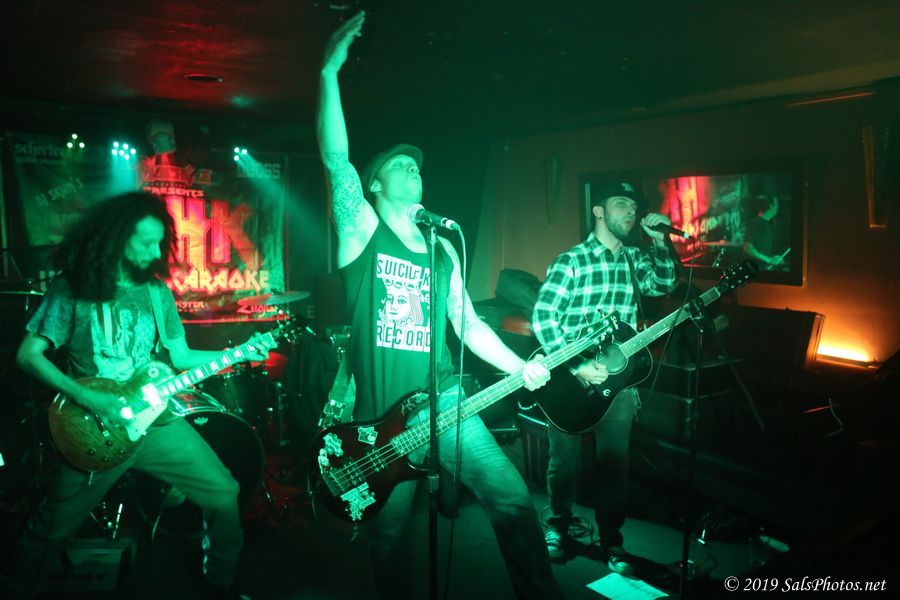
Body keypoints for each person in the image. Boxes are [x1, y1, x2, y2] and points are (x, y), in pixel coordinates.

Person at [317, 11, 563, 600]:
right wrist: (328, 72)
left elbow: (469, 324)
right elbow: (335, 159)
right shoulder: (362, 232)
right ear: (376, 185)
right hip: (381, 418)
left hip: (445, 400)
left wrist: (519, 368)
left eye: (418, 167)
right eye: (401, 165)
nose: (414, 170)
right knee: (389, 537)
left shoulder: (444, 248)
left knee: (511, 498)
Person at [2, 191, 275, 600]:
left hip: (154, 423)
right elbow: (28, 356)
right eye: (145, 242)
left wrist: (239, 353)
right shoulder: (72, 288)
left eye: (158, 243)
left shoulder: (156, 292)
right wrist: (88, 397)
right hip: (93, 428)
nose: (155, 252)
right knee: (52, 527)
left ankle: (221, 581)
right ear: (116, 238)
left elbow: (180, 356)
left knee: (223, 490)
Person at [531, 181, 678, 574]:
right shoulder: (572, 261)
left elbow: (664, 284)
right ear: (598, 211)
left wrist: (660, 242)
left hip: (619, 383)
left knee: (614, 466)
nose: (631, 212)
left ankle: (613, 542)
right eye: (621, 203)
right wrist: (575, 364)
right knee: (564, 463)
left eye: (634, 206)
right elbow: (543, 318)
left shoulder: (634, 259)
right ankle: (557, 526)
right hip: (571, 381)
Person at [743, 194, 789, 271]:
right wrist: (769, 260)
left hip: (765, 267)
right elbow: (747, 248)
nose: (778, 206)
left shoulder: (769, 224)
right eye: (776, 204)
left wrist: (773, 257)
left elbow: (763, 250)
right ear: (771, 205)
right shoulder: (756, 223)